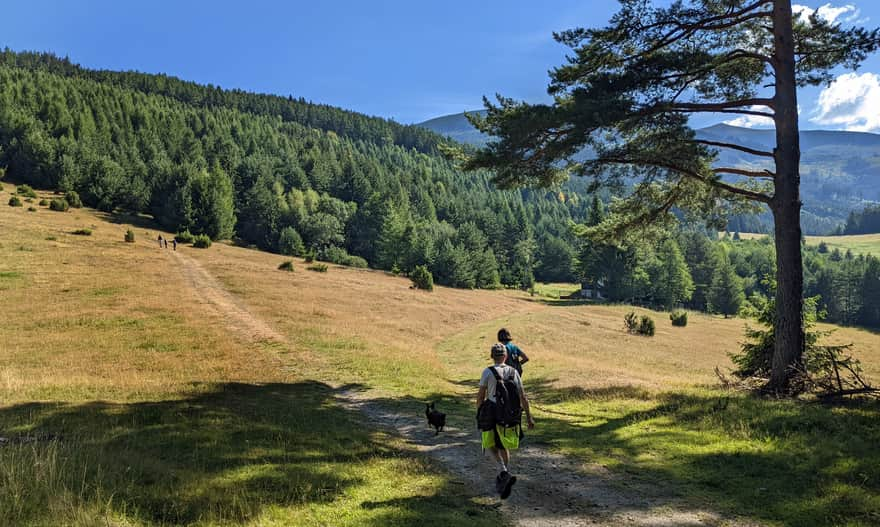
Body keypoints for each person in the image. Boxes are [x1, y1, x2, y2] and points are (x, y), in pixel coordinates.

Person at [477, 343, 534, 499]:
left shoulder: (487, 372)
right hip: (509, 414)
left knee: (490, 444)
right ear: (506, 356)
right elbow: (523, 396)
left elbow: (480, 396)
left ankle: (503, 472)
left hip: (491, 412)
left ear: (492, 356)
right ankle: (505, 474)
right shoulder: (513, 372)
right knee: (503, 445)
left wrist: (479, 413)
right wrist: (529, 417)